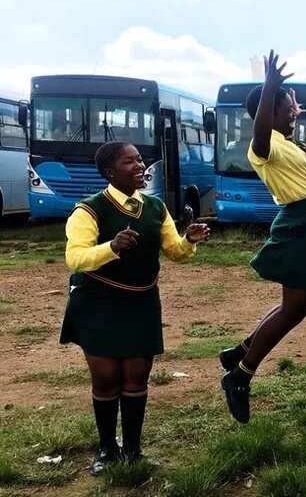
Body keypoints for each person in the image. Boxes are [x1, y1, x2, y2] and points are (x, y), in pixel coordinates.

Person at [61, 141, 209, 475]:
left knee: (136, 375)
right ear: (110, 172)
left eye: (140, 160)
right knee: (107, 378)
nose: (140, 166)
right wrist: (111, 247)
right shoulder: (89, 210)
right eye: (130, 162)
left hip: (141, 300)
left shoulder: (156, 207)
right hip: (98, 301)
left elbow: (172, 251)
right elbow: (75, 258)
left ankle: (133, 450)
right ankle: (106, 449)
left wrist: (189, 241)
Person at [219, 52, 306, 424]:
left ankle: (241, 352)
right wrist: (269, 89)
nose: (292, 113)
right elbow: (264, 127)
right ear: (268, 113)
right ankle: (240, 375)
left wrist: (290, 106)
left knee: (299, 304)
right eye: (286, 109)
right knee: (294, 306)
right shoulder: (262, 144)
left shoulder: (286, 141)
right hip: (299, 225)